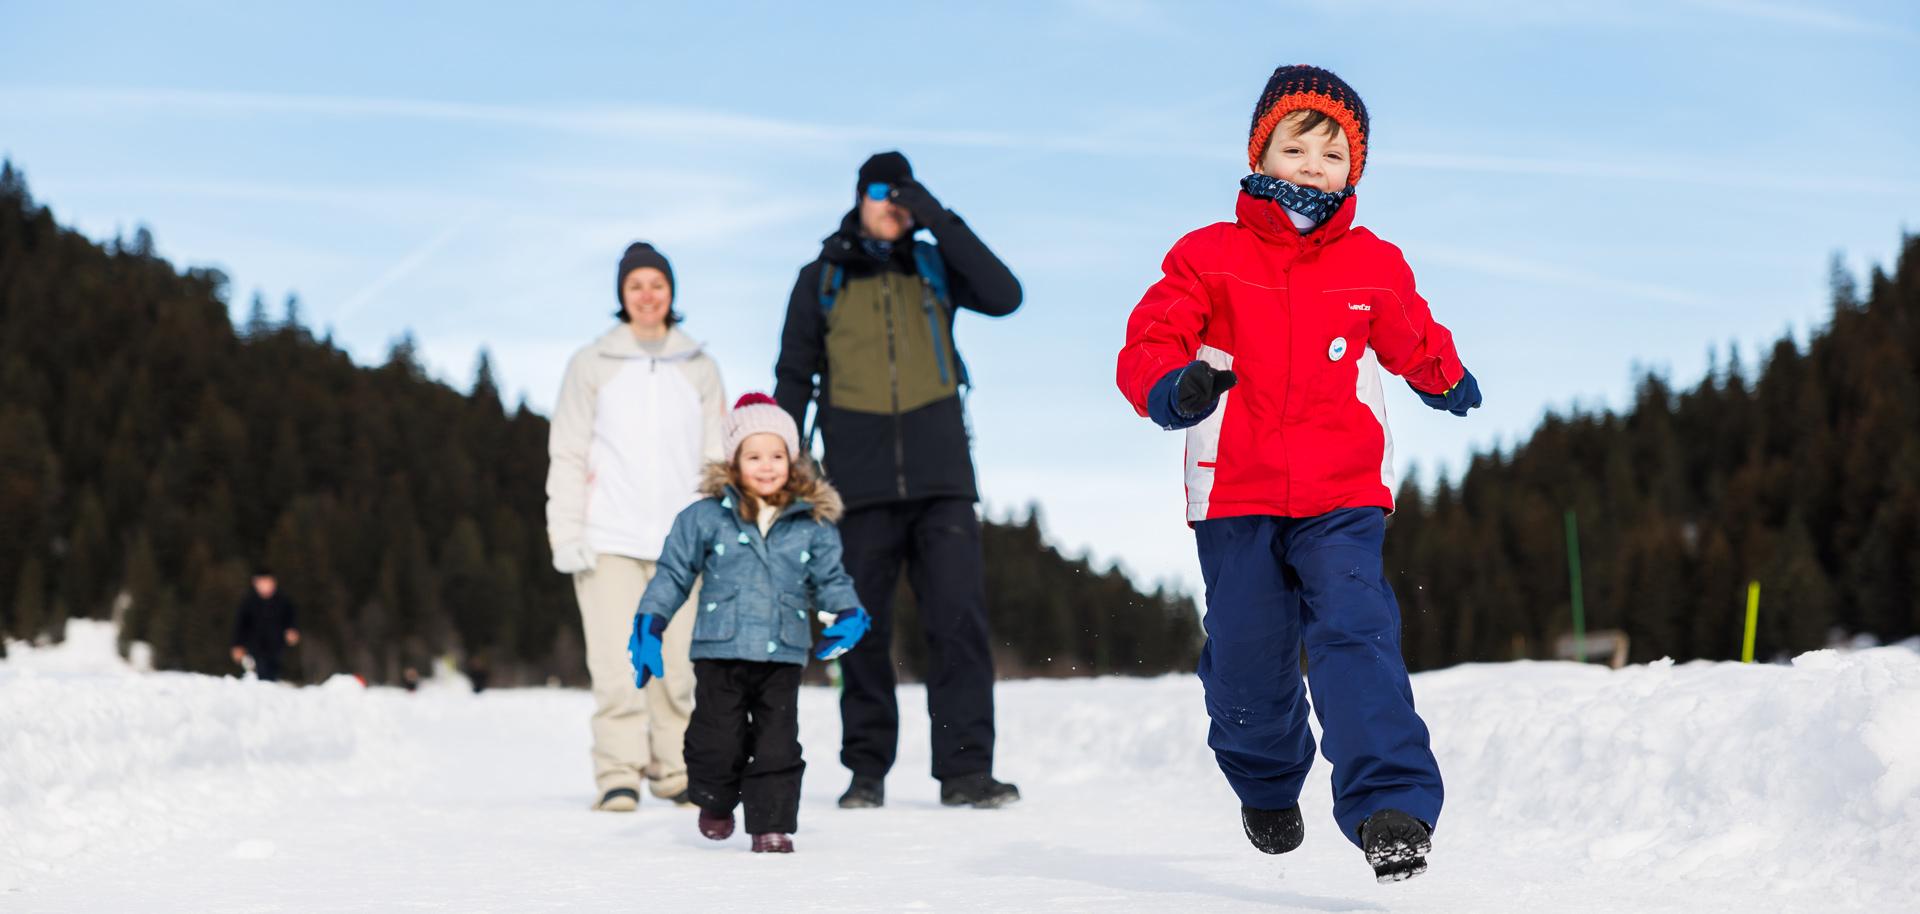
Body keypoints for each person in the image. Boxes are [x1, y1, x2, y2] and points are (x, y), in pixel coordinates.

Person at [1114, 65, 1482, 883]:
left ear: (1356, 170)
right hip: (1236, 489)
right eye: (1297, 145)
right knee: (1249, 653)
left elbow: (1413, 334)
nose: (1314, 163)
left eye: (1334, 150)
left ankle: (1392, 805)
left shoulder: (1373, 263)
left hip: (1341, 490)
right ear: (1262, 152)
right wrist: (1173, 388)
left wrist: (1444, 376)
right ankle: (1266, 778)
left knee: (1356, 632)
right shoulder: (1208, 255)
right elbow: (1150, 342)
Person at [773, 151, 1023, 810]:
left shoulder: (934, 263)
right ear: (859, 197)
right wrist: (782, 461)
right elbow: (794, 374)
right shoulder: (820, 278)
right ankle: (866, 771)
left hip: (942, 478)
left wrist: (938, 217)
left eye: (904, 194)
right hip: (855, 482)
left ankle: (967, 772)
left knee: (958, 623)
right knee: (860, 629)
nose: (894, 203)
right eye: (882, 192)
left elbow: (1006, 295)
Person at [630, 393, 870, 853]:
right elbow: (674, 573)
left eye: (777, 455)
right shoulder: (703, 518)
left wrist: (849, 611)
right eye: (753, 455)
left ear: (793, 459)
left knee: (778, 744)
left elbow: (831, 578)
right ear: (734, 461)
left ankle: (771, 825)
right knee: (717, 741)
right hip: (719, 650)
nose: (766, 465)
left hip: (781, 651)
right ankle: (715, 800)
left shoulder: (811, 523)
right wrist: (651, 622)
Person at [546, 241, 727, 812]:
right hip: (609, 540)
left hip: (682, 544)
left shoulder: (698, 365)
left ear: (672, 294)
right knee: (619, 667)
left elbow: (716, 453)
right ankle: (619, 772)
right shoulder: (592, 364)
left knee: (679, 670)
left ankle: (675, 769)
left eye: (657, 285)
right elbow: (568, 451)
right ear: (621, 297)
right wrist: (566, 531)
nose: (647, 296)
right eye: (635, 286)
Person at [230, 570, 299, 682]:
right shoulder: (248, 603)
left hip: (277, 646)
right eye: (261, 582)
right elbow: (241, 626)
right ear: (255, 583)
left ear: (273, 582)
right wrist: (237, 645)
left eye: (267, 582)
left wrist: (292, 631)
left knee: (274, 672)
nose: (264, 586)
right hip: (254, 647)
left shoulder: (284, 601)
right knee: (257, 672)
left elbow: (291, 620)